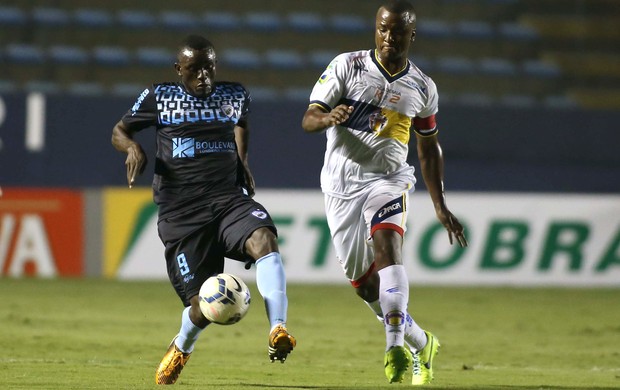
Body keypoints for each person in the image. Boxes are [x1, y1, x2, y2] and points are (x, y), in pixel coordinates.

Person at [111, 34, 296, 385]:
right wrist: (131, 147)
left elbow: (241, 122)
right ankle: (182, 346)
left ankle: (278, 329)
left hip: (227, 199)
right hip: (182, 215)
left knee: (264, 241)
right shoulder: (160, 97)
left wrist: (243, 162)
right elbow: (119, 130)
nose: (203, 77)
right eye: (194, 69)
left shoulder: (234, 94)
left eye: (208, 68)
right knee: (203, 306)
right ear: (178, 69)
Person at [301, 0, 467, 385]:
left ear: (412, 34)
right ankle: (422, 342)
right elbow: (309, 118)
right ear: (375, 28)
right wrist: (328, 117)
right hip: (341, 185)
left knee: (387, 246)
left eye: (396, 31)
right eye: (382, 29)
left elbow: (428, 146)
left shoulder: (423, 87)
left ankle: (394, 346)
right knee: (365, 286)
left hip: (389, 180)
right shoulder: (347, 66)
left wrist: (440, 205)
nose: (388, 37)